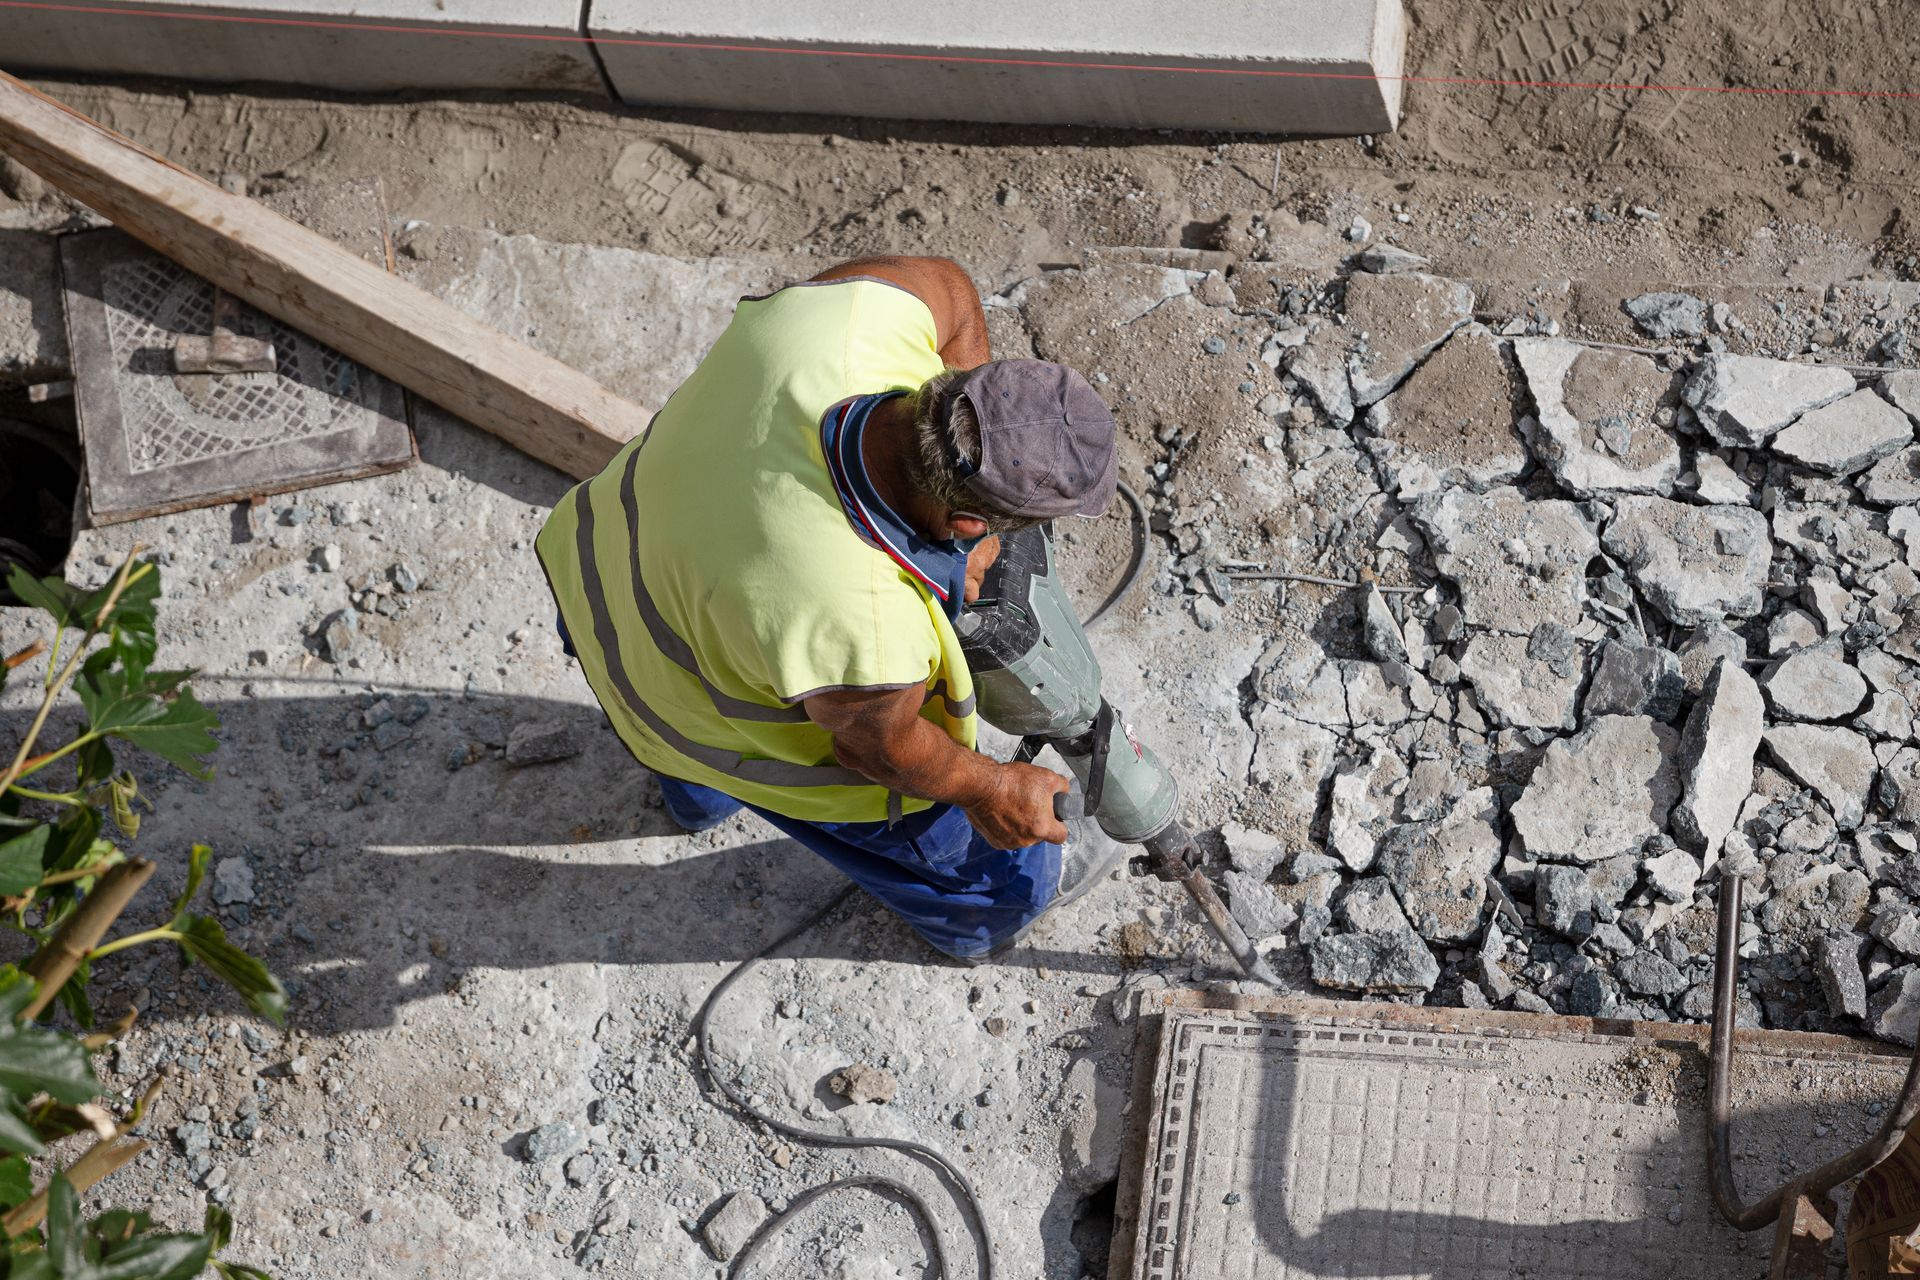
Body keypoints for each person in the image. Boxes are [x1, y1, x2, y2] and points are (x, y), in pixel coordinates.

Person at [536, 255, 1122, 960]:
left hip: (602, 569)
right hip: (697, 695)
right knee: (935, 825)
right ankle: (986, 911)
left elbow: (957, 295)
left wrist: (976, 507)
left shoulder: (850, 322)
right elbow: (881, 752)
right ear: (971, 522)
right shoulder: (867, 629)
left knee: (689, 725)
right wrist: (993, 785)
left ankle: (694, 797)